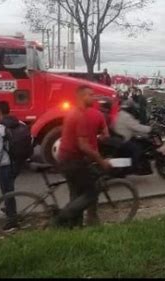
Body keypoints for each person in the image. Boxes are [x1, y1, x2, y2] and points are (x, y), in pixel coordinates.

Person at [55, 85, 111, 228]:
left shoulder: (73, 112)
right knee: (92, 191)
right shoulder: (80, 116)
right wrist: (101, 161)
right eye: (90, 95)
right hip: (73, 160)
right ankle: (62, 218)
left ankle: (75, 226)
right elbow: (84, 146)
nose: (94, 98)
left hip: (65, 158)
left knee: (76, 193)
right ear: (82, 97)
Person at [0, 101, 22, 231]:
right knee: (10, 190)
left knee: (7, 193)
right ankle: (9, 210)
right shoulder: (21, 124)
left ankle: (12, 221)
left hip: (5, 166)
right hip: (17, 164)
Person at [113, 99, 153, 175]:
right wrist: (150, 129)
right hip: (124, 140)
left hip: (120, 138)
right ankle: (133, 168)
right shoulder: (126, 117)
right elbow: (136, 127)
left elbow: (132, 128)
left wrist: (143, 133)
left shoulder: (120, 114)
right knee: (137, 149)